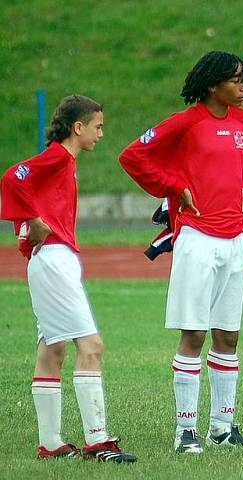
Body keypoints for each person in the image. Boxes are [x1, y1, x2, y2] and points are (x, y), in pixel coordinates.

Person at [119, 51, 243, 453]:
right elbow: (132, 156)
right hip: (197, 238)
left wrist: (242, 188)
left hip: (235, 239)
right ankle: (185, 431)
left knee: (229, 335)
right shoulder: (186, 122)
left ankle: (223, 426)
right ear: (213, 85)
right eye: (236, 80)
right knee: (194, 333)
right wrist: (173, 186)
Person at [1, 95, 137, 462]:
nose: (102, 134)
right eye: (98, 126)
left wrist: (30, 223)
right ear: (78, 127)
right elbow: (13, 177)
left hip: (50, 260)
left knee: (52, 350)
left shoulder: (64, 160)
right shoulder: (59, 156)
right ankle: (98, 441)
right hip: (55, 260)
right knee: (92, 347)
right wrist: (33, 221)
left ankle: (51, 444)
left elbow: (24, 185)